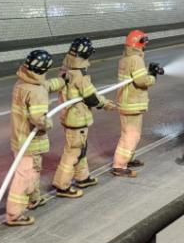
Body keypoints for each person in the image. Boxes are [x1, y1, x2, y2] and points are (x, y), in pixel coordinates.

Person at [5, 49, 65, 226]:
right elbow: (39, 119)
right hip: (29, 142)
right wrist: (48, 123)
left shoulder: (22, 83)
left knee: (33, 171)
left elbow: (46, 85)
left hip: (19, 137)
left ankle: (33, 199)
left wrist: (62, 81)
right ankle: (14, 213)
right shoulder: (36, 92)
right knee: (25, 176)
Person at [52, 37, 116, 198]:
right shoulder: (80, 74)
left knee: (81, 150)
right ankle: (62, 185)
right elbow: (90, 97)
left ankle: (82, 178)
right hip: (77, 119)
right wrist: (105, 104)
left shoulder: (66, 69)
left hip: (70, 117)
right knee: (73, 152)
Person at [111, 30, 159, 178]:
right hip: (132, 103)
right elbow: (141, 81)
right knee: (132, 136)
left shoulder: (126, 58)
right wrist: (153, 77)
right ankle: (119, 166)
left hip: (127, 102)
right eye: (144, 43)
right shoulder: (136, 59)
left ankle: (127, 159)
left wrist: (149, 72)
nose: (145, 46)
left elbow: (135, 76)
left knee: (128, 134)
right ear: (139, 43)